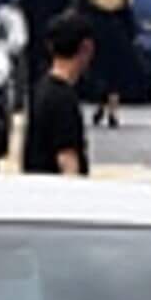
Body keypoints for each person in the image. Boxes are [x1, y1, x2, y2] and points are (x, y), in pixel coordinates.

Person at [80, 0, 145, 130]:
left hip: (97, 31)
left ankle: (101, 103)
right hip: (117, 32)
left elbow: (83, 11)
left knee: (100, 71)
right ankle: (113, 110)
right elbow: (128, 14)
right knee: (116, 73)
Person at [23, 12, 94, 177]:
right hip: (57, 195)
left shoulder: (39, 89)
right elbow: (67, 159)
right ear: (86, 47)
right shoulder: (64, 99)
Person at [14, 0, 71, 97]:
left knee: (33, 73)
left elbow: (17, 8)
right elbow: (67, 9)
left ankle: (34, 102)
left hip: (31, 33)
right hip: (54, 34)